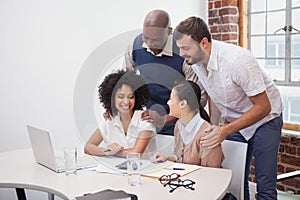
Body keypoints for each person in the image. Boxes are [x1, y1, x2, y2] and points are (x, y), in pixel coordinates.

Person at [173, 16, 283, 200]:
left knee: (264, 185)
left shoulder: (237, 61)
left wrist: (225, 130)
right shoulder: (195, 62)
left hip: (265, 119)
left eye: (186, 48)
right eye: (180, 48)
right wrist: (213, 128)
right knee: (235, 181)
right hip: (235, 121)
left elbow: (264, 107)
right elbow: (215, 97)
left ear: (204, 43)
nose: (182, 54)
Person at [123, 9, 207, 136]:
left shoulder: (183, 52)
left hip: (182, 122)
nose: (150, 44)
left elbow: (196, 98)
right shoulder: (135, 45)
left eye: (156, 40)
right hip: (151, 118)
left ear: (169, 32)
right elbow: (125, 83)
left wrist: (166, 119)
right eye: (146, 38)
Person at [84, 70, 156, 158]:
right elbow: (88, 147)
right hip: (117, 170)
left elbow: (136, 153)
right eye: (120, 97)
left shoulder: (145, 120)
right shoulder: (110, 120)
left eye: (131, 97)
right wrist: (106, 151)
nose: (126, 102)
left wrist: (112, 152)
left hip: (144, 170)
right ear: (112, 98)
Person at [150, 81, 223, 168]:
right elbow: (179, 156)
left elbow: (212, 173)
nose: (168, 103)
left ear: (183, 104)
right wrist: (166, 158)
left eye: (171, 98)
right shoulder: (179, 125)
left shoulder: (207, 134)